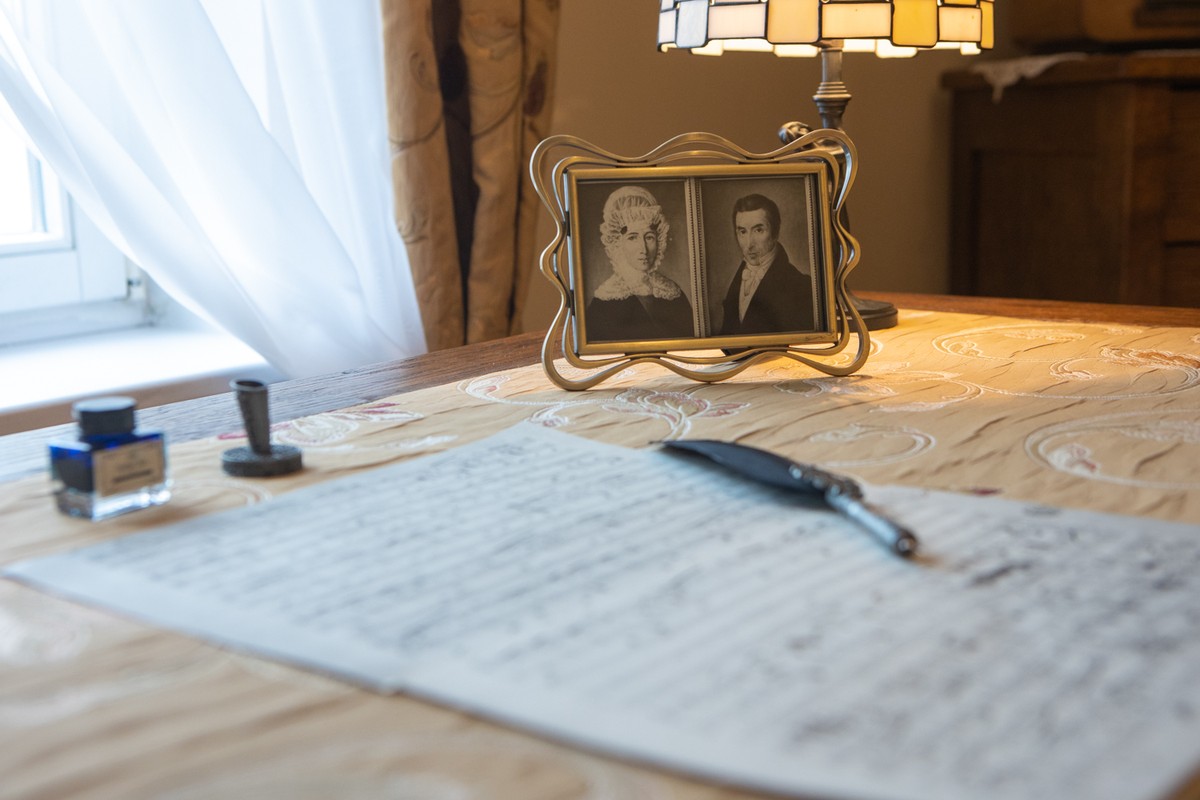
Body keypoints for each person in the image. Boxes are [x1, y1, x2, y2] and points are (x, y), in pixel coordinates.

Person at [586, 186, 693, 343]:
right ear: (617, 243)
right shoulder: (603, 302)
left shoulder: (672, 293)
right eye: (632, 238)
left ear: (659, 240)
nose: (643, 249)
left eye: (649, 237)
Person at [719, 193, 815, 336]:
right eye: (743, 232)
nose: (749, 244)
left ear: (775, 233)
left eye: (758, 230)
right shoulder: (738, 280)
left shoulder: (801, 286)